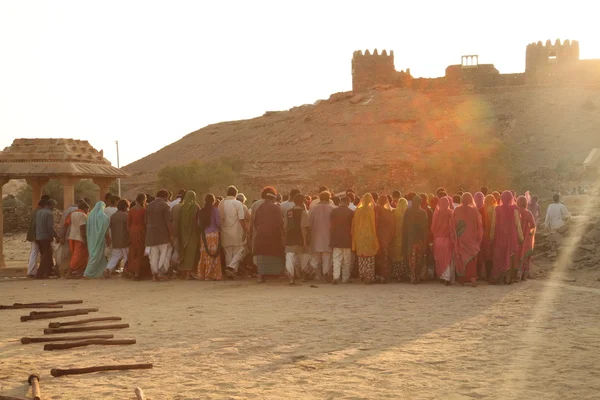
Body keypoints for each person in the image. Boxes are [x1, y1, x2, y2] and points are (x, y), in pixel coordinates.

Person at [490, 191, 524, 284]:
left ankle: (498, 277)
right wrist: (521, 237)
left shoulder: (497, 209)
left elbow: (493, 224)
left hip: (499, 236)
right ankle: (508, 278)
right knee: (509, 256)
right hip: (511, 236)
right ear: (511, 198)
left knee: (500, 256)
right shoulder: (515, 209)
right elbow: (518, 225)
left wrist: (491, 236)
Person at [452, 193, 483, 287]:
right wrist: (478, 238)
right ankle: (472, 277)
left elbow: (453, 224)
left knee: (461, 257)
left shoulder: (457, 210)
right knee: (471, 258)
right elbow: (479, 226)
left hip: (460, 237)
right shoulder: (474, 211)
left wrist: (455, 236)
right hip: (472, 238)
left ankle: (462, 279)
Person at [253, 191, 285, 283]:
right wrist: (283, 235)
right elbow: (280, 223)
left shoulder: (259, 207)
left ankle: (260, 276)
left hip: (261, 235)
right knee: (276, 255)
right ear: (273, 199)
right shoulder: (276, 207)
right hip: (273, 236)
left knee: (261, 257)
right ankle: (277, 275)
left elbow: (256, 222)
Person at [145, 190, 174, 281]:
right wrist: (171, 234)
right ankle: (161, 273)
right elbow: (168, 221)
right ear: (165, 197)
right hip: (162, 234)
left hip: (150, 234)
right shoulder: (165, 205)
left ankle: (155, 274)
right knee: (165, 255)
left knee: (153, 256)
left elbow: (145, 221)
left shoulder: (149, 205)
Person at [219, 186, 247, 277]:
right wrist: (245, 231)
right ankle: (231, 267)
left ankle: (230, 272)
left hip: (224, 231)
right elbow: (241, 219)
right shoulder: (238, 203)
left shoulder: (221, 204)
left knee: (228, 253)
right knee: (240, 250)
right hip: (236, 231)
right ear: (235, 193)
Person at [352, 193, 379, 284]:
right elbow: (374, 224)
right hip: (370, 235)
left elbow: (354, 224)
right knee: (370, 257)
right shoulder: (371, 210)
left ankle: (363, 275)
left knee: (362, 256)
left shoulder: (358, 210)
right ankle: (369, 276)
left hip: (359, 236)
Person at [284, 193, 310, 284]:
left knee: (290, 257)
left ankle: (291, 277)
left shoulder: (288, 212)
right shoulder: (303, 213)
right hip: (299, 237)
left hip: (290, 238)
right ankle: (304, 275)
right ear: (303, 202)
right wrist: (305, 242)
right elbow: (303, 228)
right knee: (303, 257)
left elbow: (285, 226)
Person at [308, 191, 335, 281]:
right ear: (329, 198)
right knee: (327, 257)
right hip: (328, 237)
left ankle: (312, 270)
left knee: (315, 257)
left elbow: (309, 223)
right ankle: (326, 274)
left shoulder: (313, 209)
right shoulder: (333, 208)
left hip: (315, 236)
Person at [402, 196, 429, 284]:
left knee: (414, 257)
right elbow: (425, 228)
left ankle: (413, 276)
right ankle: (415, 276)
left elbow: (404, 227)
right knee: (415, 257)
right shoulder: (422, 212)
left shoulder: (409, 212)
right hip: (416, 238)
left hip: (412, 238)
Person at [83, 201, 111, 279]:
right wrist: (108, 239)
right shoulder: (103, 217)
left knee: (95, 255)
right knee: (95, 256)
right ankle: (87, 273)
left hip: (91, 239)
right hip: (100, 239)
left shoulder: (90, 216)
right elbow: (105, 230)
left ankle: (99, 272)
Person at [330, 196, 354, 284]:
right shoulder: (351, 212)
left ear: (340, 202)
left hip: (336, 238)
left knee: (336, 259)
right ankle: (345, 278)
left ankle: (335, 277)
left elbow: (331, 226)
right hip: (347, 239)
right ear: (348, 203)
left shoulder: (334, 211)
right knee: (347, 260)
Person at [198, 194, 222, 280]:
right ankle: (213, 274)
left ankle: (204, 274)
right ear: (213, 201)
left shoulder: (201, 211)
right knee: (214, 255)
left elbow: (199, 224)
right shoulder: (215, 210)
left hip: (204, 236)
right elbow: (218, 223)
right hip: (214, 235)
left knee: (204, 255)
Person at [176, 191, 200, 280]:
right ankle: (188, 274)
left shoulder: (182, 208)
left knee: (184, 253)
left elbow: (179, 222)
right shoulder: (195, 207)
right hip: (193, 234)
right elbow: (198, 222)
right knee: (191, 254)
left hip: (183, 234)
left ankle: (184, 273)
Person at [431, 197, 454, 285]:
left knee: (439, 259)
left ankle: (441, 276)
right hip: (447, 239)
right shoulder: (451, 213)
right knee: (447, 259)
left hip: (438, 239)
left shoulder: (437, 214)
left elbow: (433, 228)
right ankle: (447, 277)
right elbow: (453, 226)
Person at [64, 200, 89, 278]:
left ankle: (78, 271)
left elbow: (66, 224)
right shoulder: (83, 215)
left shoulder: (72, 214)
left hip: (72, 237)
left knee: (76, 255)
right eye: (88, 209)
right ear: (85, 208)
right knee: (78, 256)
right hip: (79, 238)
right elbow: (82, 228)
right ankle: (69, 272)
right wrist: (84, 239)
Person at [127, 193, 150, 279]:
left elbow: (128, 224)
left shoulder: (131, 210)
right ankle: (138, 272)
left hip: (132, 232)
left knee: (134, 251)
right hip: (141, 232)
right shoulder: (144, 210)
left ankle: (133, 271)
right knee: (141, 252)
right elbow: (146, 222)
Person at [26, 196, 49, 277]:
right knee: (35, 252)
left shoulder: (34, 211)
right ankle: (32, 271)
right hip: (37, 235)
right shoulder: (40, 212)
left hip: (33, 234)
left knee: (34, 252)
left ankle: (32, 271)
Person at [35, 199, 58, 279]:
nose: (54, 208)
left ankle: (48, 271)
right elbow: (49, 227)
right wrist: (53, 236)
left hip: (38, 236)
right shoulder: (49, 213)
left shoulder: (39, 212)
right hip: (45, 236)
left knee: (44, 254)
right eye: (53, 206)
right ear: (50, 205)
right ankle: (40, 274)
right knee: (47, 255)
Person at [106, 199, 130, 277]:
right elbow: (128, 229)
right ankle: (126, 271)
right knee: (127, 256)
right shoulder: (126, 216)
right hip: (125, 240)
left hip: (115, 240)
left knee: (115, 256)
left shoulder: (113, 216)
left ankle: (108, 269)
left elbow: (110, 228)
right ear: (125, 207)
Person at [375, 195, 395, 282]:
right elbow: (393, 225)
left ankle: (379, 275)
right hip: (387, 237)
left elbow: (375, 224)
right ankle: (385, 275)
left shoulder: (376, 210)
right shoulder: (389, 211)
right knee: (386, 255)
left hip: (378, 236)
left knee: (379, 256)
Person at [517, 196, 536, 281]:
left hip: (516, 237)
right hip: (526, 238)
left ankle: (516, 274)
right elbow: (533, 225)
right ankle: (524, 275)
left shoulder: (515, 212)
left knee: (517, 255)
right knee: (525, 256)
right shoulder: (528, 213)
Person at [479, 194, 497, 280]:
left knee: (482, 254)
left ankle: (481, 274)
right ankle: (489, 274)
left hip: (482, 234)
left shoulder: (481, 209)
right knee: (490, 255)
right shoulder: (495, 210)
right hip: (492, 234)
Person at [391, 198, 409, 281]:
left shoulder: (394, 213)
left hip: (395, 237)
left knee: (396, 255)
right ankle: (402, 274)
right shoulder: (407, 214)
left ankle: (396, 274)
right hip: (404, 237)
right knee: (403, 255)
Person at [169, 190, 186, 276]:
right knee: (179, 250)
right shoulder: (184, 207)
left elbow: (170, 219)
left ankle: (173, 267)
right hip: (181, 232)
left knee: (175, 249)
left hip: (174, 230)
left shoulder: (175, 206)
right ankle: (174, 267)